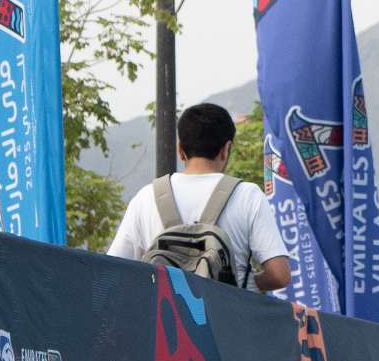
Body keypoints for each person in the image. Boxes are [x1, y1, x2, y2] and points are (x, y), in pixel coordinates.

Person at [109, 102, 291, 293]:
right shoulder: (248, 195)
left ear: (180, 150)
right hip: (228, 311)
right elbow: (279, 275)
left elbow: (113, 270)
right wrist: (241, 283)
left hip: (162, 310)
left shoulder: (146, 198)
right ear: (226, 149)